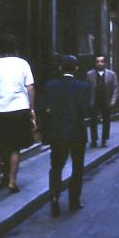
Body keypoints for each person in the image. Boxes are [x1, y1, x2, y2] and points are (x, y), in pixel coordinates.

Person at [38, 55, 91, 216]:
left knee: (56, 166)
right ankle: (74, 200)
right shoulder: (83, 87)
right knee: (77, 167)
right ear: (76, 68)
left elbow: (42, 107)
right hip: (77, 132)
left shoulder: (50, 86)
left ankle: (54, 197)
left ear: (60, 68)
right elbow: (86, 110)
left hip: (57, 132)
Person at [0, 35, 35, 193]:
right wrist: (31, 108)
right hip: (20, 109)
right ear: (15, 48)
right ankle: (12, 181)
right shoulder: (23, 64)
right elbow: (31, 87)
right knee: (15, 147)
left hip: (0, 110)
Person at [85, 54, 119, 148]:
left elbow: (115, 88)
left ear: (105, 63)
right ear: (95, 63)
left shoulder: (111, 74)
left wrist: (113, 101)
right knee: (93, 121)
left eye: (102, 61)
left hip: (106, 100)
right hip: (94, 100)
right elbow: (87, 89)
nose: (100, 63)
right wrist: (88, 101)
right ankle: (94, 139)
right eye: (98, 62)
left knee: (106, 121)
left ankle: (104, 139)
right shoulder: (89, 74)